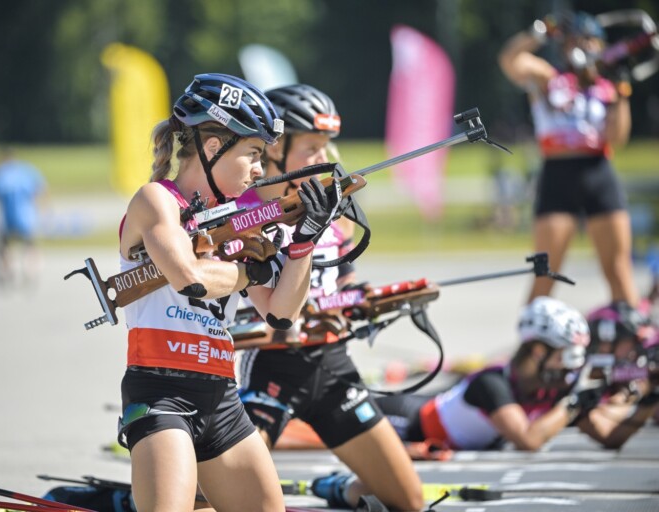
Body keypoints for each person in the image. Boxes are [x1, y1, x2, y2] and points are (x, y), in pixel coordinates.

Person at [115, 73, 340, 512]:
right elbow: (189, 277)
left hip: (221, 395)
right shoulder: (157, 200)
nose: (260, 170)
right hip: (161, 392)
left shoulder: (237, 221)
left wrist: (305, 241)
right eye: (253, 154)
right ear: (215, 147)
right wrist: (251, 272)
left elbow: (281, 314)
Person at [235, 84, 424, 511]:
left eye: (327, 146)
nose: (326, 158)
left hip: (331, 365)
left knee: (408, 500)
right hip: (267, 368)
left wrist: (363, 301)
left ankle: (337, 488)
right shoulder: (242, 214)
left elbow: (343, 284)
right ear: (275, 148)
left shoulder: (334, 212)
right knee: (227, 499)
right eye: (312, 148)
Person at [359, 296, 659, 454]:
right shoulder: (493, 382)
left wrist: (649, 400)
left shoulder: (557, 389)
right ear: (539, 351)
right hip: (407, 422)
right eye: (567, 355)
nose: (572, 366)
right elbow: (528, 440)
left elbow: (610, 438)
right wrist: (574, 402)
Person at [498, 11, 640, 310]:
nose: (583, 47)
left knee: (618, 270)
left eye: (590, 41)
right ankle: (533, 334)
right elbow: (510, 60)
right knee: (546, 274)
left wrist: (622, 92)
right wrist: (540, 31)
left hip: (598, 172)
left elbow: (617, 138)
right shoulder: (549, 78)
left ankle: (631, 331)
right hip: (558, 174)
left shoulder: (607, 85)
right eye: (576, 41)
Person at [0, 149, 46, 284]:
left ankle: (7, 271)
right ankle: (31, 271)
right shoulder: (25, 171)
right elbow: (38, 188)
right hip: (26, 215)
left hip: (7, 216)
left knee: (4, 244)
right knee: (29, 244)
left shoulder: (0, 174)